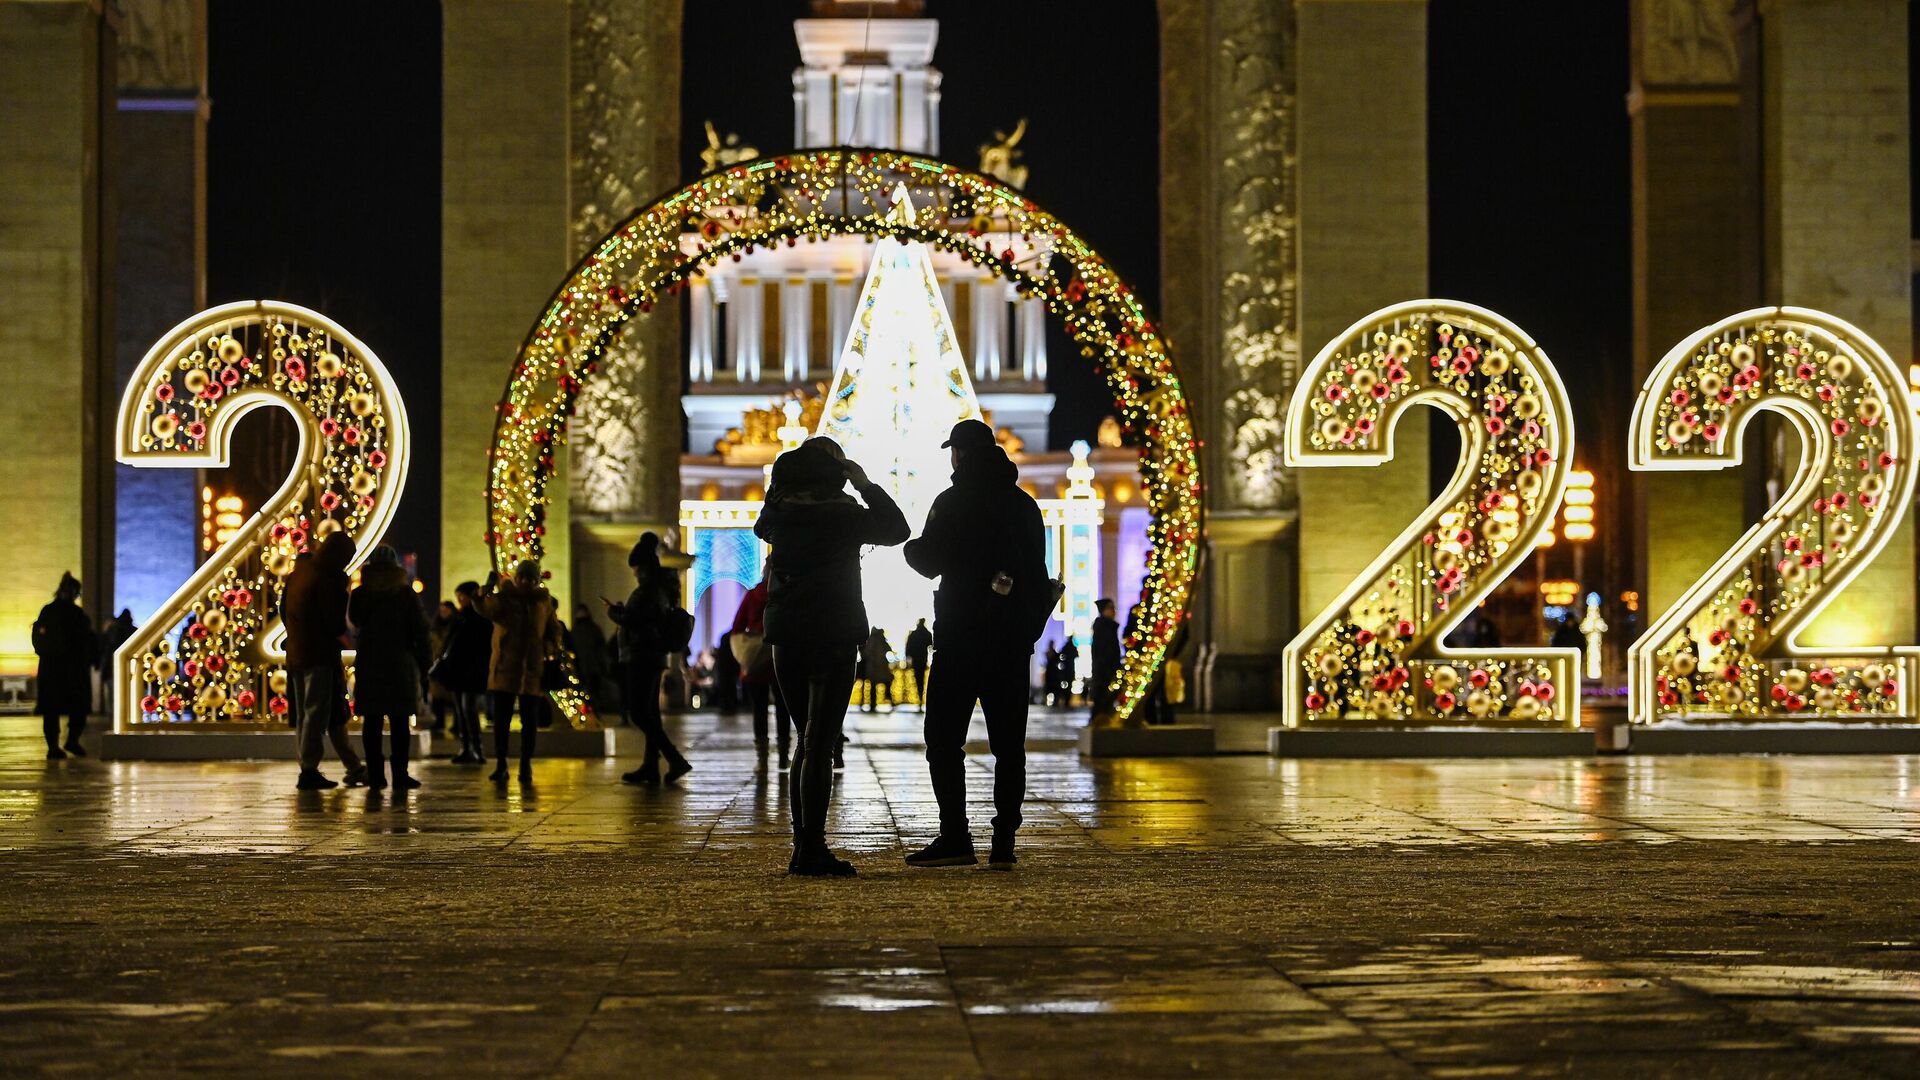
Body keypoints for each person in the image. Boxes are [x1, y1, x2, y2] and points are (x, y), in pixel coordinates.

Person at [903, 419, 1052, 871]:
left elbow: (929, 560)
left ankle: (955, 836)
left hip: (961, 637)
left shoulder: (953, 502)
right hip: (1010, 643)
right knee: (1010, 745)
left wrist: (911, 548)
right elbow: (1036, 571)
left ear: (961, 454)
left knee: (944, 740)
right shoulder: (1024, 506)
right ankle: (1004, 839)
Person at [755, 437, 908, 876]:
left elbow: (762, 522)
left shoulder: (777, 516)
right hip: (833, 632)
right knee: (819, 742)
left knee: (804, 741)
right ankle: (812, 849)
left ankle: (803, 845)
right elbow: (897, 530)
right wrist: (862, 483)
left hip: (785, 634)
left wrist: (778, 486)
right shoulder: (844, 516)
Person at [608, 533, 692, 787]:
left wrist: (615, 613)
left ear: (642, 566)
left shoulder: (649, 590)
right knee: (650, 713)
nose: (633, 573)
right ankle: (650, 766)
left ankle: (673, 757)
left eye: (635, 568)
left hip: (642, 655)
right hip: (652, 655)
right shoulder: (661, 587)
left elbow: (639, 621)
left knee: (639, 713)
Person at [282, 533, 366, 789]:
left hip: (297, 651)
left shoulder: (299, 574)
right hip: (319, 653)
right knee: (315, 712)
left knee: (307, 713)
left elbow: (284, 610)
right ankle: (309, 768)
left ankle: (316, 765)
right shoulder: (329, 579)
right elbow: (334, 621)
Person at [348, 545, 431, 791]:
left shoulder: (361, 594)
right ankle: (400, 774)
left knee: (371, 724)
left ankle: (375, 774)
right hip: (400, 665)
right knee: (399, 723)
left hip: (370, 664)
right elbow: (421, 631)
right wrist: (425, 664)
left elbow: (355, 621)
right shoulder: (406, 594)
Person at [476, 560, 562, 784]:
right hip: (506, 667)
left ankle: (525, 765)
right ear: (516, 577)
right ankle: (502, 763)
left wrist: (550, 647)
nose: (526, 582)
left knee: (529, 722)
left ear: (537, 580)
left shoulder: (543, 603)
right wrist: (483, 593)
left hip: (532, 670)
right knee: (502, 721)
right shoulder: (505, 598)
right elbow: (485, 609)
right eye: (523, 577)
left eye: (531, 579)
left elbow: (554, 629)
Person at [32, 572, 97, 759]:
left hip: (59, 668)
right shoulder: (71, 614)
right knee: (68, 708)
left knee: (60, 709)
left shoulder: (55, 611)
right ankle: (63, 743)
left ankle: (61, 744)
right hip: (65, 668)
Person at [730, 577, 791, 768]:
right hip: (781, 658)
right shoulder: (787, 593)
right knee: (784, 708)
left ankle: (762, 758)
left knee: (759, 709)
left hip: (756, 659)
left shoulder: (753, 595)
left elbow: (737, 626)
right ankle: (783, 756)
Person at [436, 582, 494, 765]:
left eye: (462, 596)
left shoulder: (478, 617)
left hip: (470, 671)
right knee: (461, 711)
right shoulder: (461, 617)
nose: (459, 600)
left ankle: (475, 748)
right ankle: (467, 747)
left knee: (468, 709)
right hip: (458, 671)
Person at [97, 608, 135, 727]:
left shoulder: (112, 631)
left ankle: (114, 718)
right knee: (128, 694)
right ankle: (127, 716)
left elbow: (103, 647)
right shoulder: (134, 631)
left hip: (111, 669)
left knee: (112, 696)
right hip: (129, 669)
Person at [571, 603, 613, 713]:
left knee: (587, 690)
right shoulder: (593, 629)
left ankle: (589, 711)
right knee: (593, 691)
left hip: (584, 666)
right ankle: (593, 711)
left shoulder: (576, 631)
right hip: (591, 666)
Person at [427, 600, 457, 735]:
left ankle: (457, 724)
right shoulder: (435, 628)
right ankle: (439, 722)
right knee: (437, 697)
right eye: (442, 610)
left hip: (450, 666)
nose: (443, 613)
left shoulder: (455, 625)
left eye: (446, 610)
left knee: (454, 697)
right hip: (437, 666)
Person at [1088, 598, 1120, 718]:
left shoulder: (1108, 626)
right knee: (1103, 700)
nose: (1113, 611)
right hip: (1104, 672)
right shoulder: (1103, 627)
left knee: (1105, 701)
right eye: (1110, 608)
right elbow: (1104, 652)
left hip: (1107, 670)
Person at [860, 626, 893, 712]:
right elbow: (889, 649)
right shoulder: (881, 640)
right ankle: (888, 700)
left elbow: (866, 653)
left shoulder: (870, 641)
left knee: (873, 687)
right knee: (885, 684)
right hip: (880, 667)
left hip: (873, 668)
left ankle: (873, 704)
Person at [904, 618, 932, 707]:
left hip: (916, 660)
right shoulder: (927, 633)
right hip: (923, 659)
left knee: (918, 679)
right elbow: (931, 645)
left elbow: (908, 647)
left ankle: (919, 699)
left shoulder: (913, 634)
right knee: (922, 679)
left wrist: (908, 658)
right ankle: (921, 698)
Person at [1058, 637, 1079, 707]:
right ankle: (1067, 700)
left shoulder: (1066, 646)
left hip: (1067, 669)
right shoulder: (1071, 647)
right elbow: (1076, 655)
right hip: (1069, 669)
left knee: (1066, 685)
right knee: (1068, 685)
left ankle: (1066, 700)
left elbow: (1061, 655)